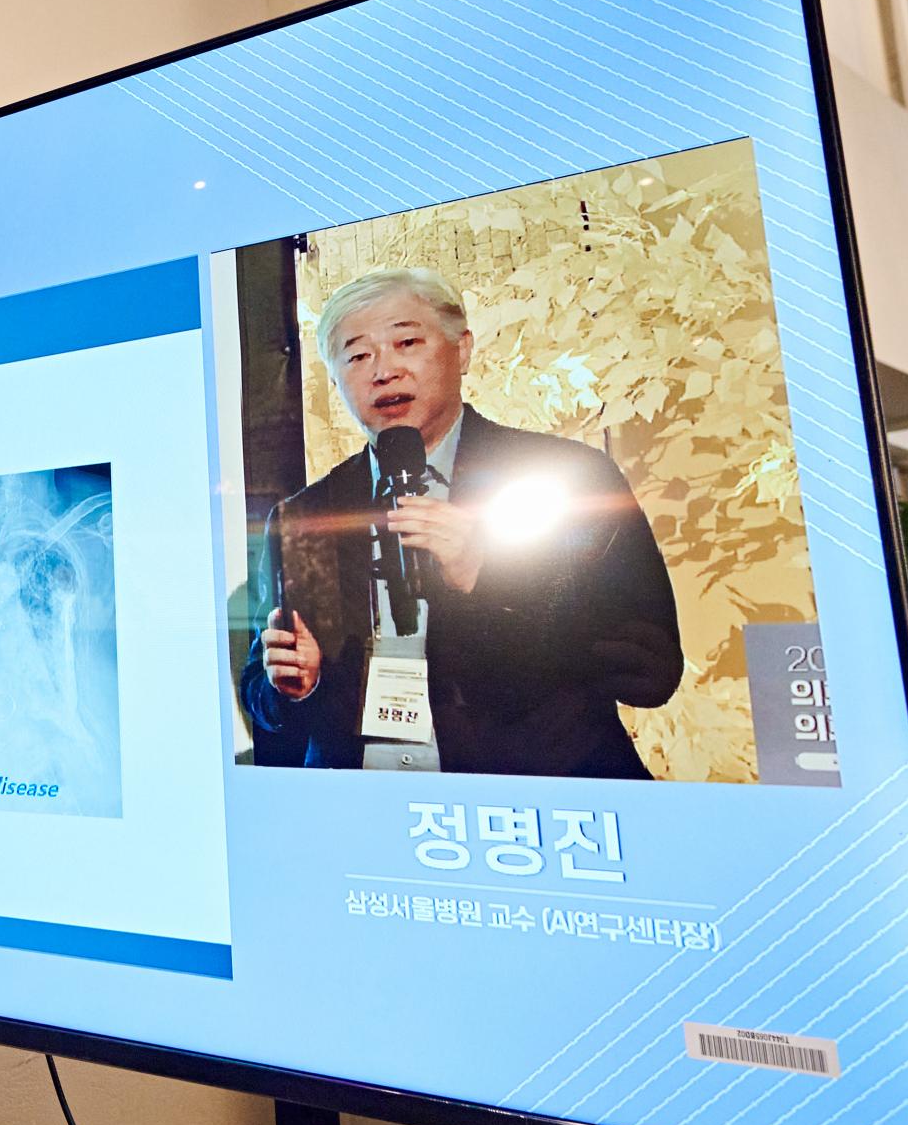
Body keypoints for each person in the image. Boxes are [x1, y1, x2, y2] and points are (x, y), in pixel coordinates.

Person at [241, 267, 682, 778]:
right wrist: (293, 686)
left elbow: (650, 672)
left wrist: (485, 577)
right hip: (365, 802)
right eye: (357, 355)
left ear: (463, 350)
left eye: (406, 342)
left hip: (534, 795)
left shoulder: (568, 477)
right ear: (336, 379)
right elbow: (263, 691)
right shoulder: (306, 515)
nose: (384, 371)